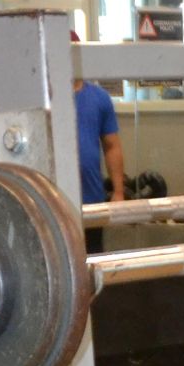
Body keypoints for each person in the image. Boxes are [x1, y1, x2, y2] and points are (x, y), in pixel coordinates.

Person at [71, 28, 124, 253]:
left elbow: (112, 147)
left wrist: (119, 192)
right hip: (55, 200)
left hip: (92, 199)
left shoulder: (99, 98)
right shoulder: (47, 99)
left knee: (92, 263)